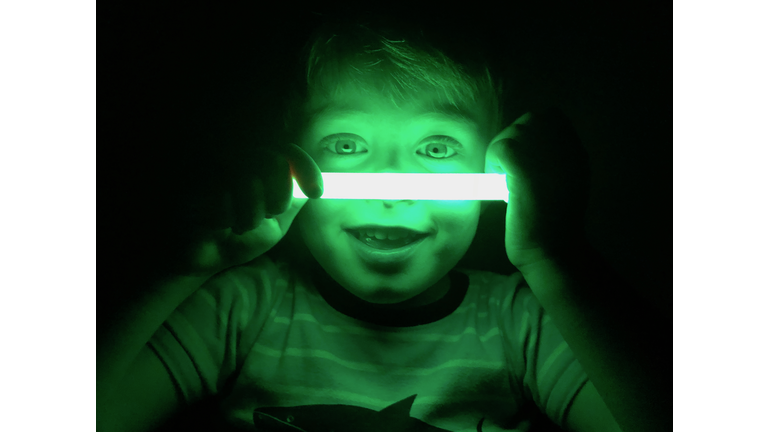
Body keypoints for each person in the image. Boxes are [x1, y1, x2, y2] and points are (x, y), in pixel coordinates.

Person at [98, 11, 666, 432]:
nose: (392, 187)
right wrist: (176, 268)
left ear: (497, 167)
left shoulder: (518, 322)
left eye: (437, 148)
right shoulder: (243, 307)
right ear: (291, 157)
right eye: (346, 143)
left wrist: (557, 255)